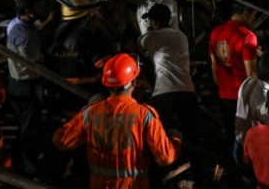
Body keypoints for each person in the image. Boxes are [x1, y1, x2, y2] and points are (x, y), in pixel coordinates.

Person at [52, 53, 179, 189]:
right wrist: (175, 137)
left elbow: (61, 141)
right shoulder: (145, 115)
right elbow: (165, 158)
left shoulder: (91, 112)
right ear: (133, 82)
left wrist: (87, 111)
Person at [210, 0, 259, 162]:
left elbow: (214, 67)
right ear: (245, 14)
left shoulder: (215, 33)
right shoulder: (247, 37)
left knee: (230, 134)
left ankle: (232, 172)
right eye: (252, 16)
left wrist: (223, 85)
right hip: (243, 98)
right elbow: (251, 74)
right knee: (247, 138)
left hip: (224, 93)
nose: (253, 19)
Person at [6, 0, 48, 177]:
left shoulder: (15, 24)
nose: (43, 10)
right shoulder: (25, 34)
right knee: (29, 129)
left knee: (22, 127)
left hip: (17, 83)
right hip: (27, 85)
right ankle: (29, 167)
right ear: (29, 11)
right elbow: (33, 62)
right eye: (39, 7)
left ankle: (17, 162)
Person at [138, 3, 197, 135]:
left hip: (163, 93)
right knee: (189, 136)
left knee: (159, 135)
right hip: (188, 92)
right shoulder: (182, 36)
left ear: (154, 22)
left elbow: (138, 50)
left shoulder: (148, 38)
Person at [236, 52, 269, 163]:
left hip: (239, 139)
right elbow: (268, 126)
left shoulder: (249, 81)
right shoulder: (265, 98)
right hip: (250, 148)